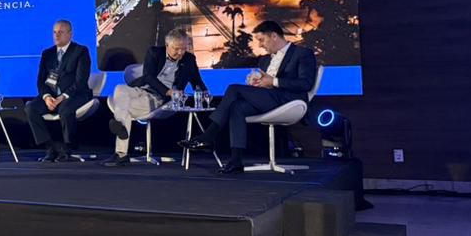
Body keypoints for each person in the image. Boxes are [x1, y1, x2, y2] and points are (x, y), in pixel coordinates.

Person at [180, 20, 318, 173]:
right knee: (237, 107)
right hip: (270, 99)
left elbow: (305, 84)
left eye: (261, 40)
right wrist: (257, 83)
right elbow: (266, 84)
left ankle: (208, 136)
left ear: (274, 36)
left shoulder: (302, 54)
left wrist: (274, 81)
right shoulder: (265, 60)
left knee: (234, 89)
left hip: (289, 101)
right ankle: (236, 161)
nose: (260, 45)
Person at [105, 29, 206, 166]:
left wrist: (204, 92)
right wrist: (168, 91)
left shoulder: (189, 59)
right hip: (142, 88)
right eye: (177, 49)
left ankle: (121, 152)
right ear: (167, 45)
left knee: (123, 110)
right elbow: (148, 76)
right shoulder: (154, 52)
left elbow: (197, 81)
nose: (180, 52)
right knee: (120, 88)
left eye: (183, 48)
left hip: (159, 98)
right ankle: (120, 126)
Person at [25, 20, 92, 162]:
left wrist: (62, 97)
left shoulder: (80, 51)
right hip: (52, 95)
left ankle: (68, 149)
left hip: (76, 94)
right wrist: (46, 97)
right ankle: (50, 148)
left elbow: (80, 81)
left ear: (70, 34)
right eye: (54, 32)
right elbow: (41, 80)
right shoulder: (47, 53)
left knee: (65, 109)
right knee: (31, 108)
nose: (56, 35)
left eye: (60, 32)